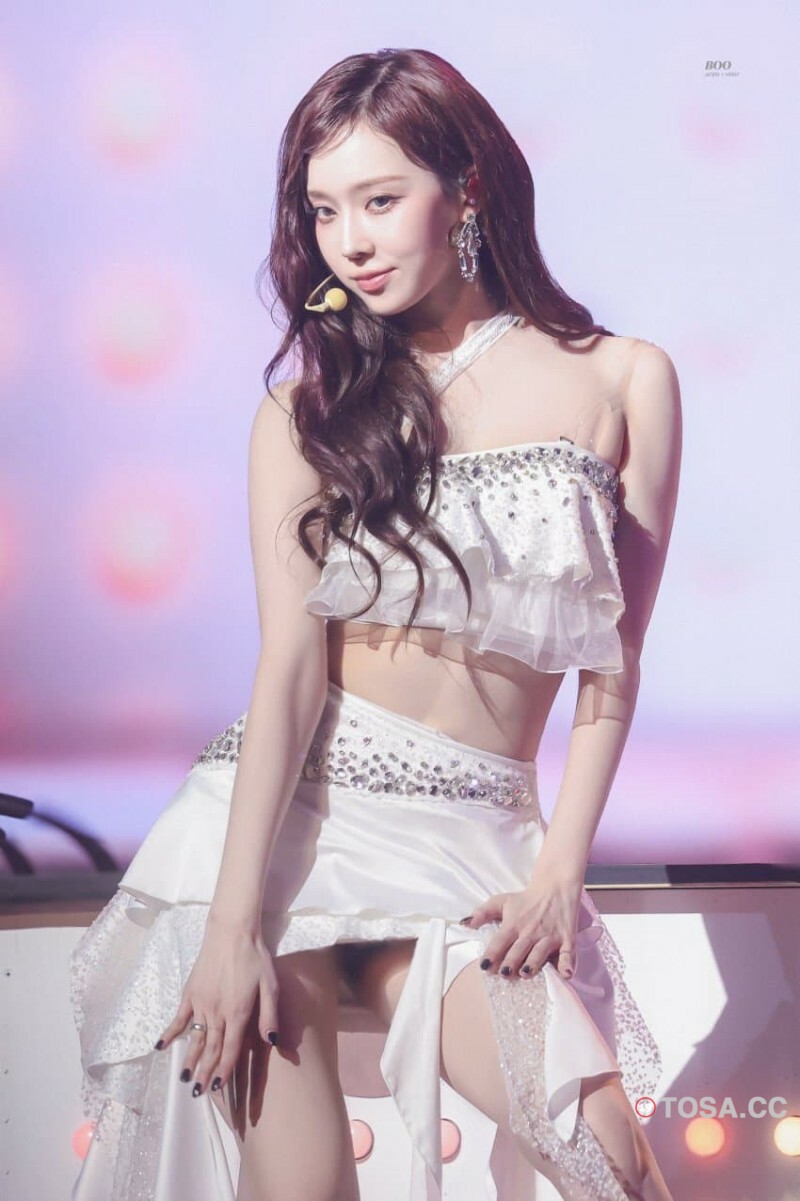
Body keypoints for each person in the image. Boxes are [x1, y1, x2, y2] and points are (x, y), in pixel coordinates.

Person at [70, 46, 681, 1201]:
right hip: (284, 829)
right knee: (299, 1188)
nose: (347, 240)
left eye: (379, 199)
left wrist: (559, 869)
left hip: (472, 847)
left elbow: (618, 656)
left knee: (605, 1156)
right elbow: (287, 671)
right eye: (322, 210)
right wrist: (231, 927)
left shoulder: (621, 380)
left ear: (468, 189)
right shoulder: (304, 411)